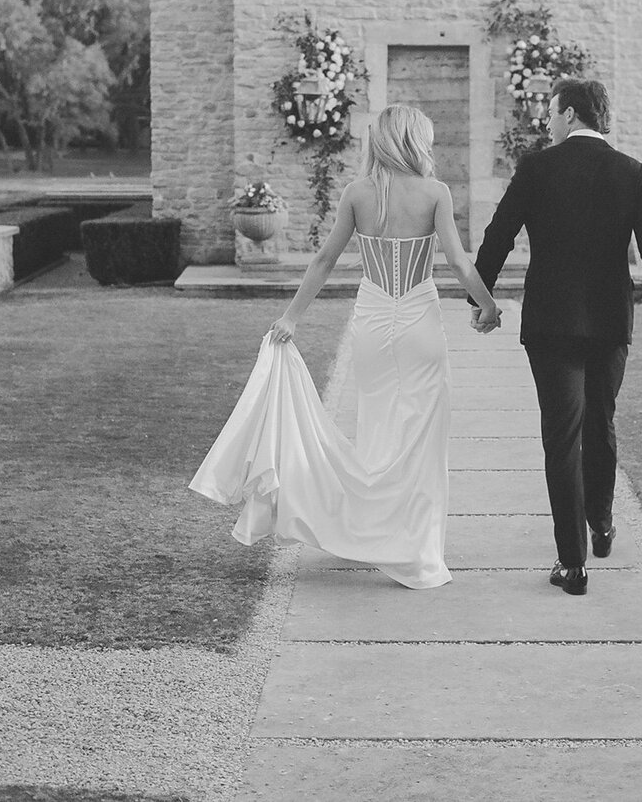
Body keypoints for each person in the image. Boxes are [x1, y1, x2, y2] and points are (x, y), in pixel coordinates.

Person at [189, 104, 501, 588]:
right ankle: (417, 550)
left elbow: (324, 259)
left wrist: (292, 316)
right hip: (419, 320)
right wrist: (488, 306)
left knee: (376, 429)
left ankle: (370, 531)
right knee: (422, 438)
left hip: (373, 321)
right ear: (414, 141)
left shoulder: (358, 193)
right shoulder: (435, 192)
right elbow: (459, 262)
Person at [469, 78, 642, 596]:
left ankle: (572, 564)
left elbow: (499, 234)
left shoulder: (536, 168)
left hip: (550, 323)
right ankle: (602, 522)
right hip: (609, 322)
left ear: (570, 114)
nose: (547, 122)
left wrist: (481, 300)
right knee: (601, 421)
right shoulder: (633, 172)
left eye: (551, 113)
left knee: (562, 436)